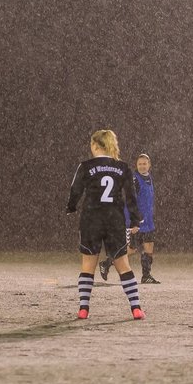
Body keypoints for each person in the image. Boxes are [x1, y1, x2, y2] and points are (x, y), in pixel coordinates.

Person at [65, 129, 144, 321]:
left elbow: (75, 190)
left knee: (87, 265)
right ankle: (136, 308)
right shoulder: (123, 167)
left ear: (95, 146)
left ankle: (84, 309)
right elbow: (131, 196)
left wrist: (71, 207)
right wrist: (135, 218)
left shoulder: (85, 166)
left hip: (92, 219)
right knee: (123, 265)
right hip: (114, 219)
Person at [99, 152, 159, 284]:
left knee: (149, 247)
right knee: (131, 249)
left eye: (144, 164)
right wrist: (133, 221)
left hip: (147, 221)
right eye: (140, 164)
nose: (142, 166)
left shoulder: (149, 177)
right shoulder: (135, 179)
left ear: (149, 165)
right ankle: (107, 263)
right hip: (136, 221)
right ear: (136, 165)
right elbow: (130, 201)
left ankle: (146, 275)